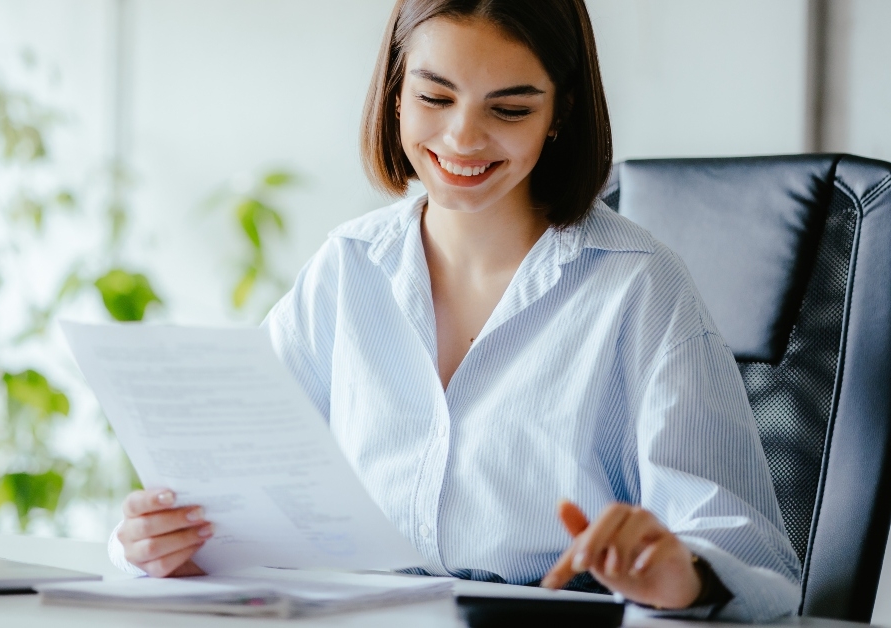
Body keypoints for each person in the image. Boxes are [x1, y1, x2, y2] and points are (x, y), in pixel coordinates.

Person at [107, 0, 800, 621]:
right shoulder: (348, 269)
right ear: (395, 93)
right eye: (435, 97)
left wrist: (680, 574)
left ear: (560, 112)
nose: (463, 138)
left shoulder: (639, 288)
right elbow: (235, 499)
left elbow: (755, 562)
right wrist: (161, 542)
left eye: (510, 109)